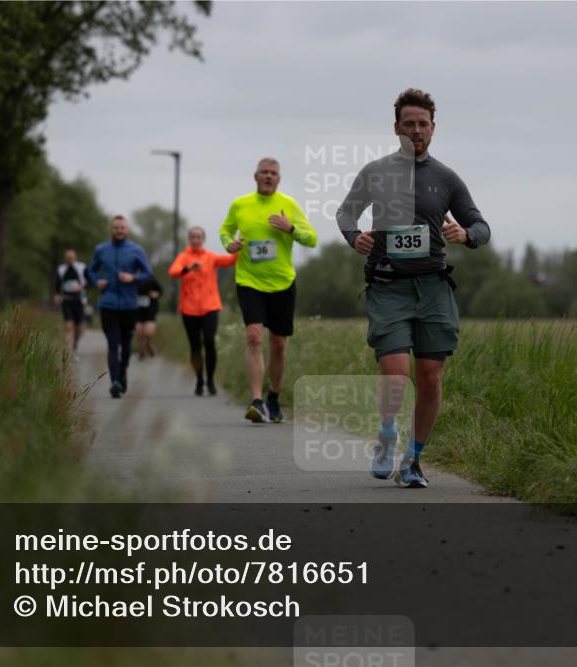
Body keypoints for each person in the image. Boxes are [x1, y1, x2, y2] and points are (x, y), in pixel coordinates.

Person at [336, 88, 491, 488]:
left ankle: (413, 460)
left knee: (431, 378)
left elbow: (481, 226)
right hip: (388, 285)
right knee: (395, 372)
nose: (416, 131)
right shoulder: (376, 172)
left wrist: (466, 234)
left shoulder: (446, 178)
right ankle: (387, 433)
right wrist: (354, 237)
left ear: (433, 128)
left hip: (433, 287)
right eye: (409, 124)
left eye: (423, 124)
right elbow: (346, 213)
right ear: (396, 128)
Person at [220, 157, 317, 423]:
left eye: (273, 173)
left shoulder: (289, 205)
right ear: (255, 176)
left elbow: (312, 239)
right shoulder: (240, 204)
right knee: (253, 337)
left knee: (278, 344)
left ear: (279, 178)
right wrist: (229, 244)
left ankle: (273, 396)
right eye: (264, 172)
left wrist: (291, 228)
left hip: (282, 282)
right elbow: (225, 231)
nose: (268, 176)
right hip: (249, 281)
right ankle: (256, 401)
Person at [88, 215, 153, 398]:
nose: (119, 230)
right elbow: (91, 270)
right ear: (111, 229)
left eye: (122, 228)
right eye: (116, 227)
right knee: (113, 343)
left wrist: (133, 278)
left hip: (129, 304)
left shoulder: (136, 250)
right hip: (107, 303)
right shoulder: (101, 249)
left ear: (127, 230)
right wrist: (97, 281)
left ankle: (122, 373)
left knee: (126, 345)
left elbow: (148, 274)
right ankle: (115, 382)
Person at [168, 226, 238, 396]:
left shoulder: (210, 257)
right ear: (189, 239)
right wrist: (188, 268)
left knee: (209, 341)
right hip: (189, 308)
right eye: (193, 237)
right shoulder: (183, 257)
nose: (196, 240)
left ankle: (211, 380)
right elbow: (173, 272)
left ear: (203, 239)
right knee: (195, 346)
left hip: (210, 307)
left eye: (199, 237)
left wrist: (239, 248)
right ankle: (199, 380)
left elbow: (229, 261)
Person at [53, 248, 89, 356]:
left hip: (79, 301)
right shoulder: (61, 269)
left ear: (75, 257)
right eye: (67, 258)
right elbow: (57, 284)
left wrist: (81, 287)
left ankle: (75, 344)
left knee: (79, 328)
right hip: (67, 300)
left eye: (71, 257)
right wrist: (57, 294)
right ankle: (67, 353)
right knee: (68, 325)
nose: (69, 259)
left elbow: (90, 282)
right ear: (65, 258)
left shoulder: (82, 267)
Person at [133, 271, 163, 360]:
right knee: (139, 332)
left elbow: (160, 291)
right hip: (137, 310)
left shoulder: (151, 279)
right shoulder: (132, 279)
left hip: (150, 309)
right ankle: (141, 352)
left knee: (148, 332)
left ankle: (148, 344)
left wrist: (155, 294)